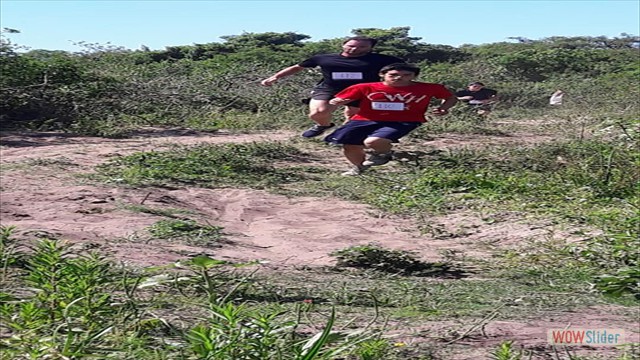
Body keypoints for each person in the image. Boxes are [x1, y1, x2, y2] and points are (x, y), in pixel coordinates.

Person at [324, 63, 458, 176]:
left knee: (374, 141)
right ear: (382, 75)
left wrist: (444, 108)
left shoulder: (429, 88)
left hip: (404, 120)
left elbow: (451, 97)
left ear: (414, 76)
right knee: (350, 145)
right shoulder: (365, 87)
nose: (399, 78)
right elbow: (343, 98)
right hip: (365, 119)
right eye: (393, 75)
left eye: (406, 75)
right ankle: (359, 168)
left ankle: (384, 154)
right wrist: (339, 101)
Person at [260, 36, 404, 138]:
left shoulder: (383, 59)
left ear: (370, 48)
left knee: (353, 116)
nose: (355, 49)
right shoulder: (324, 58)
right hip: (330, 88)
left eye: (362, 47)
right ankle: (323, 125)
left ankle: (344, 136)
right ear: (344, 45)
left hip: (363, 91)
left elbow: (403, 70)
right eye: (351, 45)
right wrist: (275, 77)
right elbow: (297, 67)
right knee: (318, 112)